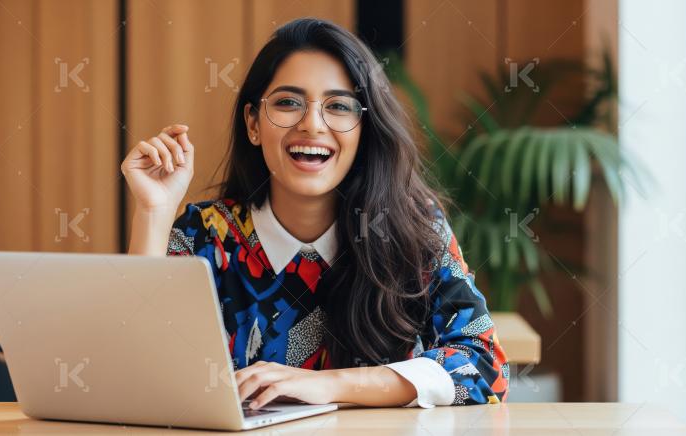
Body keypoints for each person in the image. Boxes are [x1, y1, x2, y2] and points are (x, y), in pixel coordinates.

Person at [121, 18, 508, 410]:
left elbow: (484, 365)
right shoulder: (206, 235)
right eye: (288, 103)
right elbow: (133, 370)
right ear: (253, 123)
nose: (312, 125)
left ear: (364, 128)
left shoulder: (413, 230)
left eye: (338, 106)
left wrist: (330, 385)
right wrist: (155, 211)